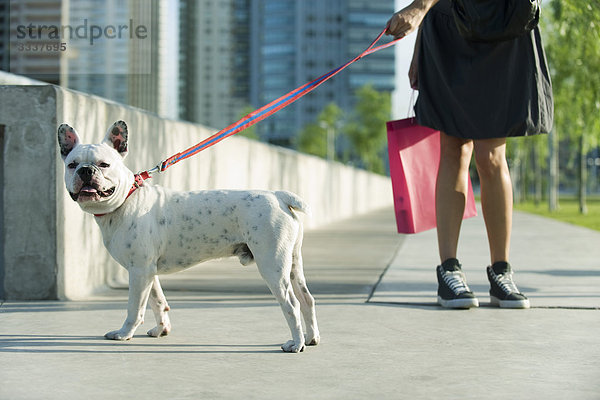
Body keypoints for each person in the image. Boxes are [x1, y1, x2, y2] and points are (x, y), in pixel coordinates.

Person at [385, 0, 553, 309]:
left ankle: (501, 271)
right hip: (450, 28)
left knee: (492, 155)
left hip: (505, 23)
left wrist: (419, 8)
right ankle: (449, 270)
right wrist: (420, 47)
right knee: (454, 149)